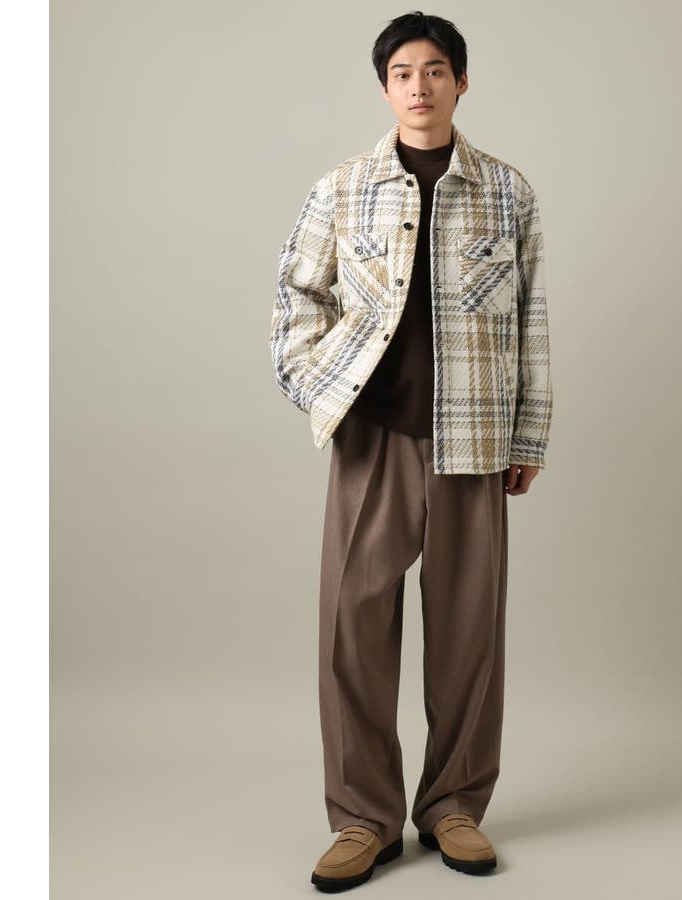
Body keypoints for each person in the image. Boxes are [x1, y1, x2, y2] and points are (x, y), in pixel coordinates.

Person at [268, 10, 553, 892]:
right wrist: (325, 391)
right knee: (352, 633)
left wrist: (529, 433)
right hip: (372, 440)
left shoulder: (507, 191)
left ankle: (454, 806)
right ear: (385, 87)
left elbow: (532, 321)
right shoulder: (342, 188)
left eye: (435, 70)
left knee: (469, 635)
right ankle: (362, 819)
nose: (419, 86)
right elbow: (296, 302)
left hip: (474, 438)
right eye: (402, 72)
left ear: (461, 81)